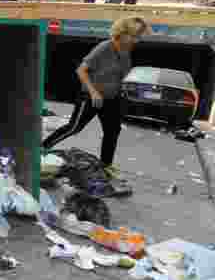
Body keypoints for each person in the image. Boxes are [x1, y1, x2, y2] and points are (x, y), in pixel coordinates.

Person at [42, 16, 148, 172]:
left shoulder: (126, 52)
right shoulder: (105, 47)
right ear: (123, 33)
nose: (136, 40)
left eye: (138, 37)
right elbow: (81, 70)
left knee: (113, 131)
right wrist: (94, 93)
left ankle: (106, 166)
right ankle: (42, 148)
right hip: (91, 96)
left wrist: (124, 88)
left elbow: (121, 75)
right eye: (134, 36)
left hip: (112, 98)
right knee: (74, 127)